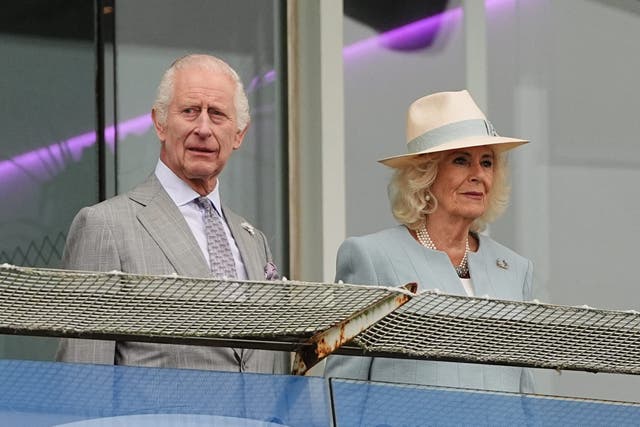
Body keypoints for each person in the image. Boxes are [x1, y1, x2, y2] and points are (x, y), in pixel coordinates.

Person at [56, 54, 289, 374]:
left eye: (218, 114)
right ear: (160, 123)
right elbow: (82, 378)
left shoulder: (254, 241)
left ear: (239, 134)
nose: (203, 128)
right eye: (190, 111)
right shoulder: (105, 226)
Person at [325, 90, 534, 393]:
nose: (479, 175)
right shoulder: (371, 258)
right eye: (462, 161)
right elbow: (343, 389)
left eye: (487, 162)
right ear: (426, 172)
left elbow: (525, 395)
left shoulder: (516, 270)